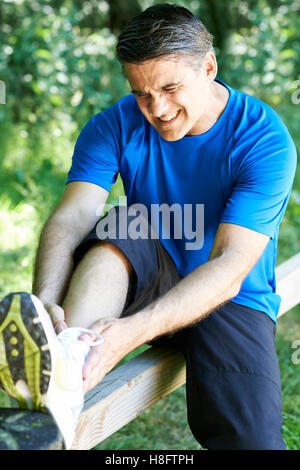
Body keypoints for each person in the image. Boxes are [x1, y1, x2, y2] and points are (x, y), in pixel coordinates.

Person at [0, 4, 297, 450]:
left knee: (253, 440)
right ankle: (63, 364)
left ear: (209, 67)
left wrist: (132, 333)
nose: (156, 108)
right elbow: (72, 217)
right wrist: (46, 304)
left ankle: (63, 366)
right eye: (141, 93)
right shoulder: (113, 125)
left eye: (170, 87)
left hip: (229, 295)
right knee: (124, 225)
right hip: (145, 270)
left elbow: (231, 264)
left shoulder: (263, 139)